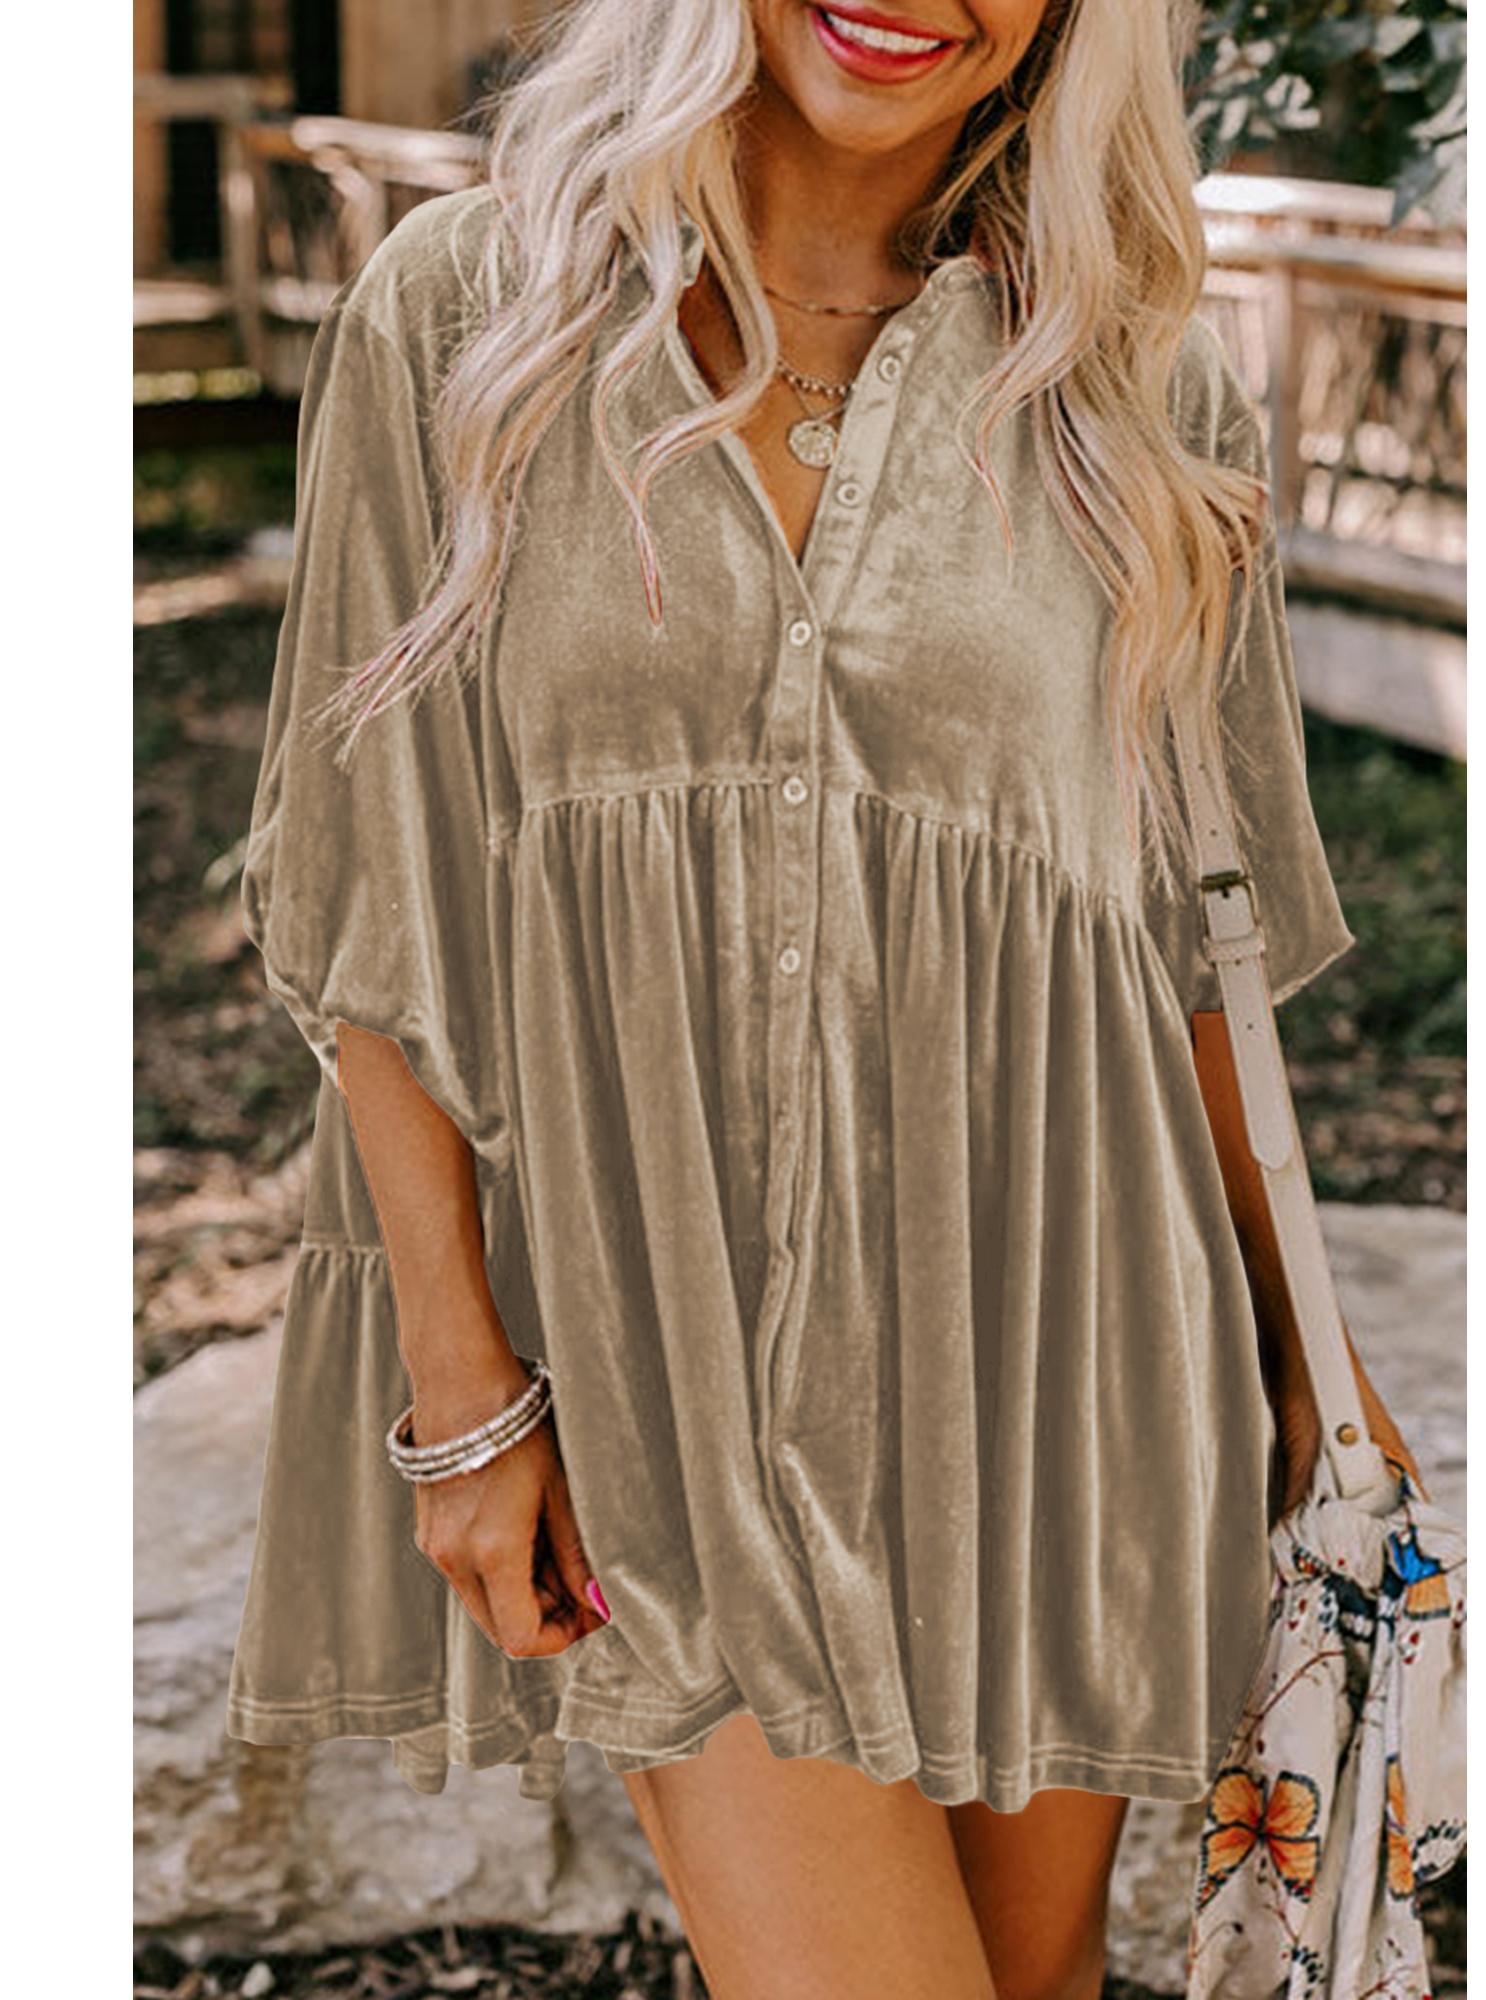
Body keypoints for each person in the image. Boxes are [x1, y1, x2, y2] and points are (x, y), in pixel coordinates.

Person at [227, 2, 1423, 1995]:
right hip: (658, 1364)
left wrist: (1307, 1343)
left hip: (1048, 1346)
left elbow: (1180, 933)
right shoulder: (472, 311)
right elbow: (376, 866)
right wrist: (460, 1385)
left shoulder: (1137, 386)